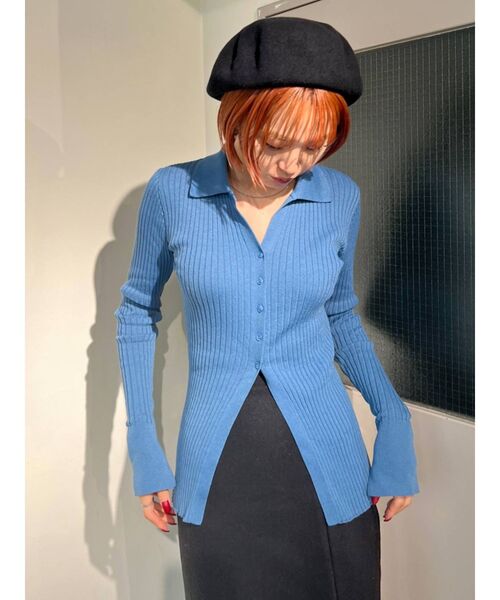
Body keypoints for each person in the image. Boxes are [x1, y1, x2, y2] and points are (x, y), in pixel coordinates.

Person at [114, 16, 420, 600]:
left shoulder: (339, 198)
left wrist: (394, 420)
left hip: (328, 455)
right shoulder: (173, 192)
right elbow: (135, 314)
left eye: (315, 146)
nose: (293, 163)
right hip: (218, 459)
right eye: (276, 143)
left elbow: (340, 314)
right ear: (236, 118)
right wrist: (143, 447)